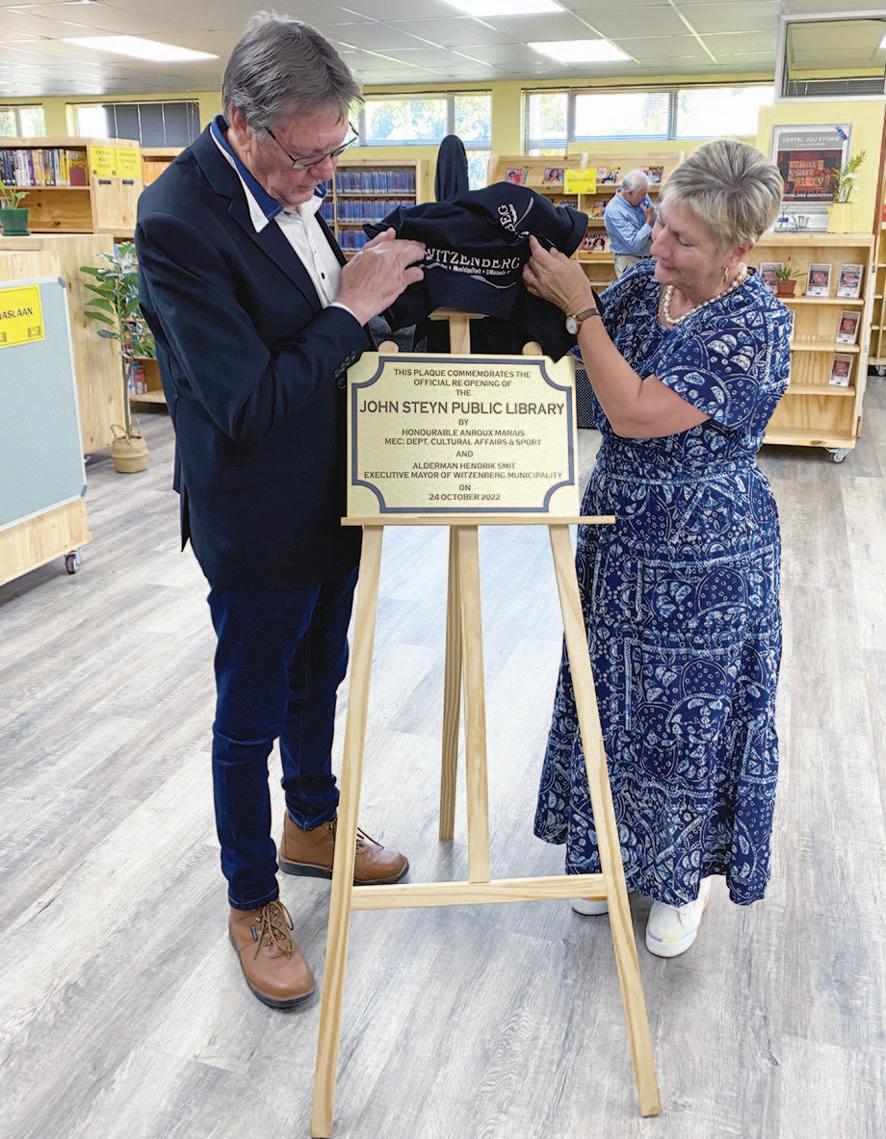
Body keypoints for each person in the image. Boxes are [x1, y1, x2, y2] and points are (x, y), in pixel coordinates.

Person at [136, 14, 425, 1009]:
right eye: (308, 158)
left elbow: (312, 316)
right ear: (241, 124)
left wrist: (380, 295)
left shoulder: (294, 181)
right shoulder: (177, 220)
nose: (324, 175)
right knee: (250, 710)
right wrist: (351, 310)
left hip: (331, 491)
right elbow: (250, 401)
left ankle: (312, 819)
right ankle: (252, 897)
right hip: (254, 511)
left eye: (336, 150)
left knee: (319, 673)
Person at [524, 139, 791, 959]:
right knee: (609, 697)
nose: (658, 245)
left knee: (689, 719)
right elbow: (568, 349)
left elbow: (635, 410)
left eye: (683, 239)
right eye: (661, 224)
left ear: (738, 249)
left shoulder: (755, 324)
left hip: (707, 557)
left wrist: (583, 310)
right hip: (619, 539)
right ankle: (605, 851)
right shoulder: (646, 288)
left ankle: (678, 882)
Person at [604, 169, 655, 277]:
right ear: (629, 193)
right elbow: (635, 244)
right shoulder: (614, 211)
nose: (645, 197)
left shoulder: (641, 196)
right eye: (642, 194)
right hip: (630, 262)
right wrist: (648, 221)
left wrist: (643, 229)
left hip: (650, 258)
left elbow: (656, 225)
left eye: (646, 193)